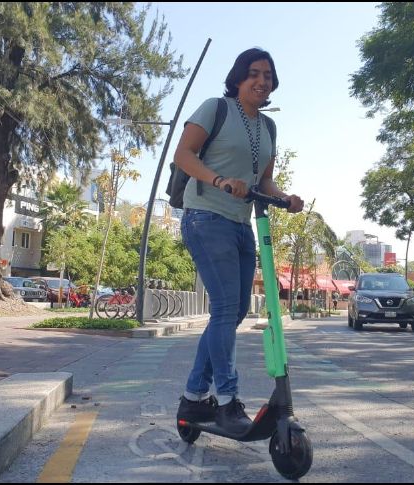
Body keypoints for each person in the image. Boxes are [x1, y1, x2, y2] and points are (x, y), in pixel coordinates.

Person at [173, 48, 304, 434]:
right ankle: (228, 401)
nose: (261, 81)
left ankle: (193, 398)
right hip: (205, 217)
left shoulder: (269, 127)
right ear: (238, 78)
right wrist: (219, 181)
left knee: (236, 309)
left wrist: (284, 198)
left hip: (241, 223)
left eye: (268, 75)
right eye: (254, 73)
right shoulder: (216, 108)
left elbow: (264, 181)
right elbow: (184, 154)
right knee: (227, 307)